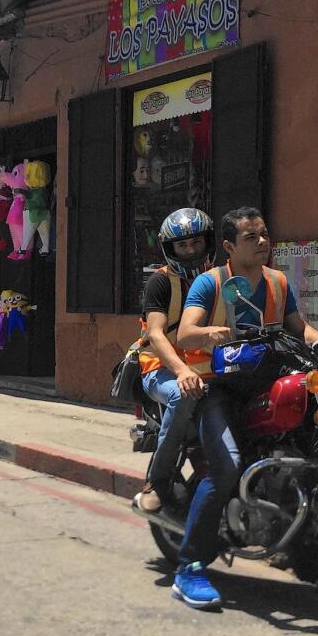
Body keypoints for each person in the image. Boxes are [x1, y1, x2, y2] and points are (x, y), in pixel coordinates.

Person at [171, 207, 318, 609]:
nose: (263, 242)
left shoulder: (277, 281)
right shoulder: (211, 284)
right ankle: (189, 567)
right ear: (228, 246)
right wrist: (209, 333)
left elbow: (299, 326)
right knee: (224, 466)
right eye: (251, 237)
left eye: (264, 235)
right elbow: (186, 332)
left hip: (267, 380)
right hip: (219, 389)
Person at [132, 208, 217, 515]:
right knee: (183, 396)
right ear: (170, 250)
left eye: (196, 243)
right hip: (161, 369)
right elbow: (155, 334)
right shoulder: (161, 283)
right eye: (182, 246)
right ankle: (158, 480)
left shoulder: (220, 279)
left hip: (210, 369)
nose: (191, 251)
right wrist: (181, 371)